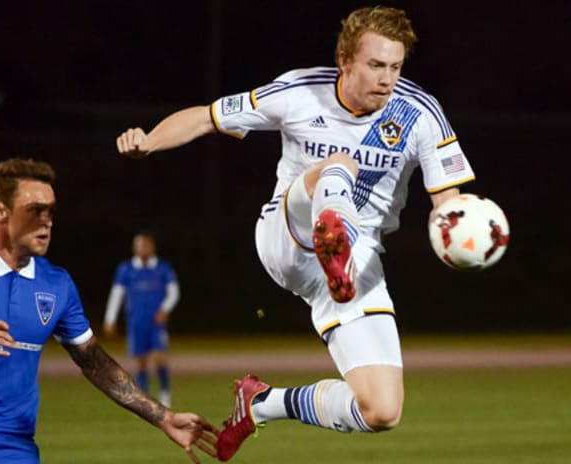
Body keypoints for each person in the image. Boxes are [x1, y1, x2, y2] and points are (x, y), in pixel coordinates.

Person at [116, 6, 478, 461]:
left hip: (355, 263)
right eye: (375, 65)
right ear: (345, 60)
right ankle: (335, 237)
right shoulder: (299, 91)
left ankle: (261, 403)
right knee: (337, 168)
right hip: (287, 233)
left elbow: (449, 203)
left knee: (382, 409)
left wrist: (455, 231)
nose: (387, 79)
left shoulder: (419, 112)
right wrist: (149, 139)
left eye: (395, 67)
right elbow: (207, 117)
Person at [0, 158, 217, 463]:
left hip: (13, 449)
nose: (47, 221)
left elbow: (94, 362)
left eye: (51, 211)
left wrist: (162, 417)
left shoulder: (56, 284)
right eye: (35, 210)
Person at [104, 231, 180, 407]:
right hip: (136, 321)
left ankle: (165, 395)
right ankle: (145, 401)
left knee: (160, 357)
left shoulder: (162, 268)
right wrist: (110, 319)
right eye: (139, 245)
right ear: (134, 248)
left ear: (152, 246)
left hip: (156, 322)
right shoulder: (126, 269)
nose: (142, 248)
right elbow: (117, 295)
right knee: (141, 362)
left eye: (145, 244)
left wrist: (164, 309)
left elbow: (174, 292)